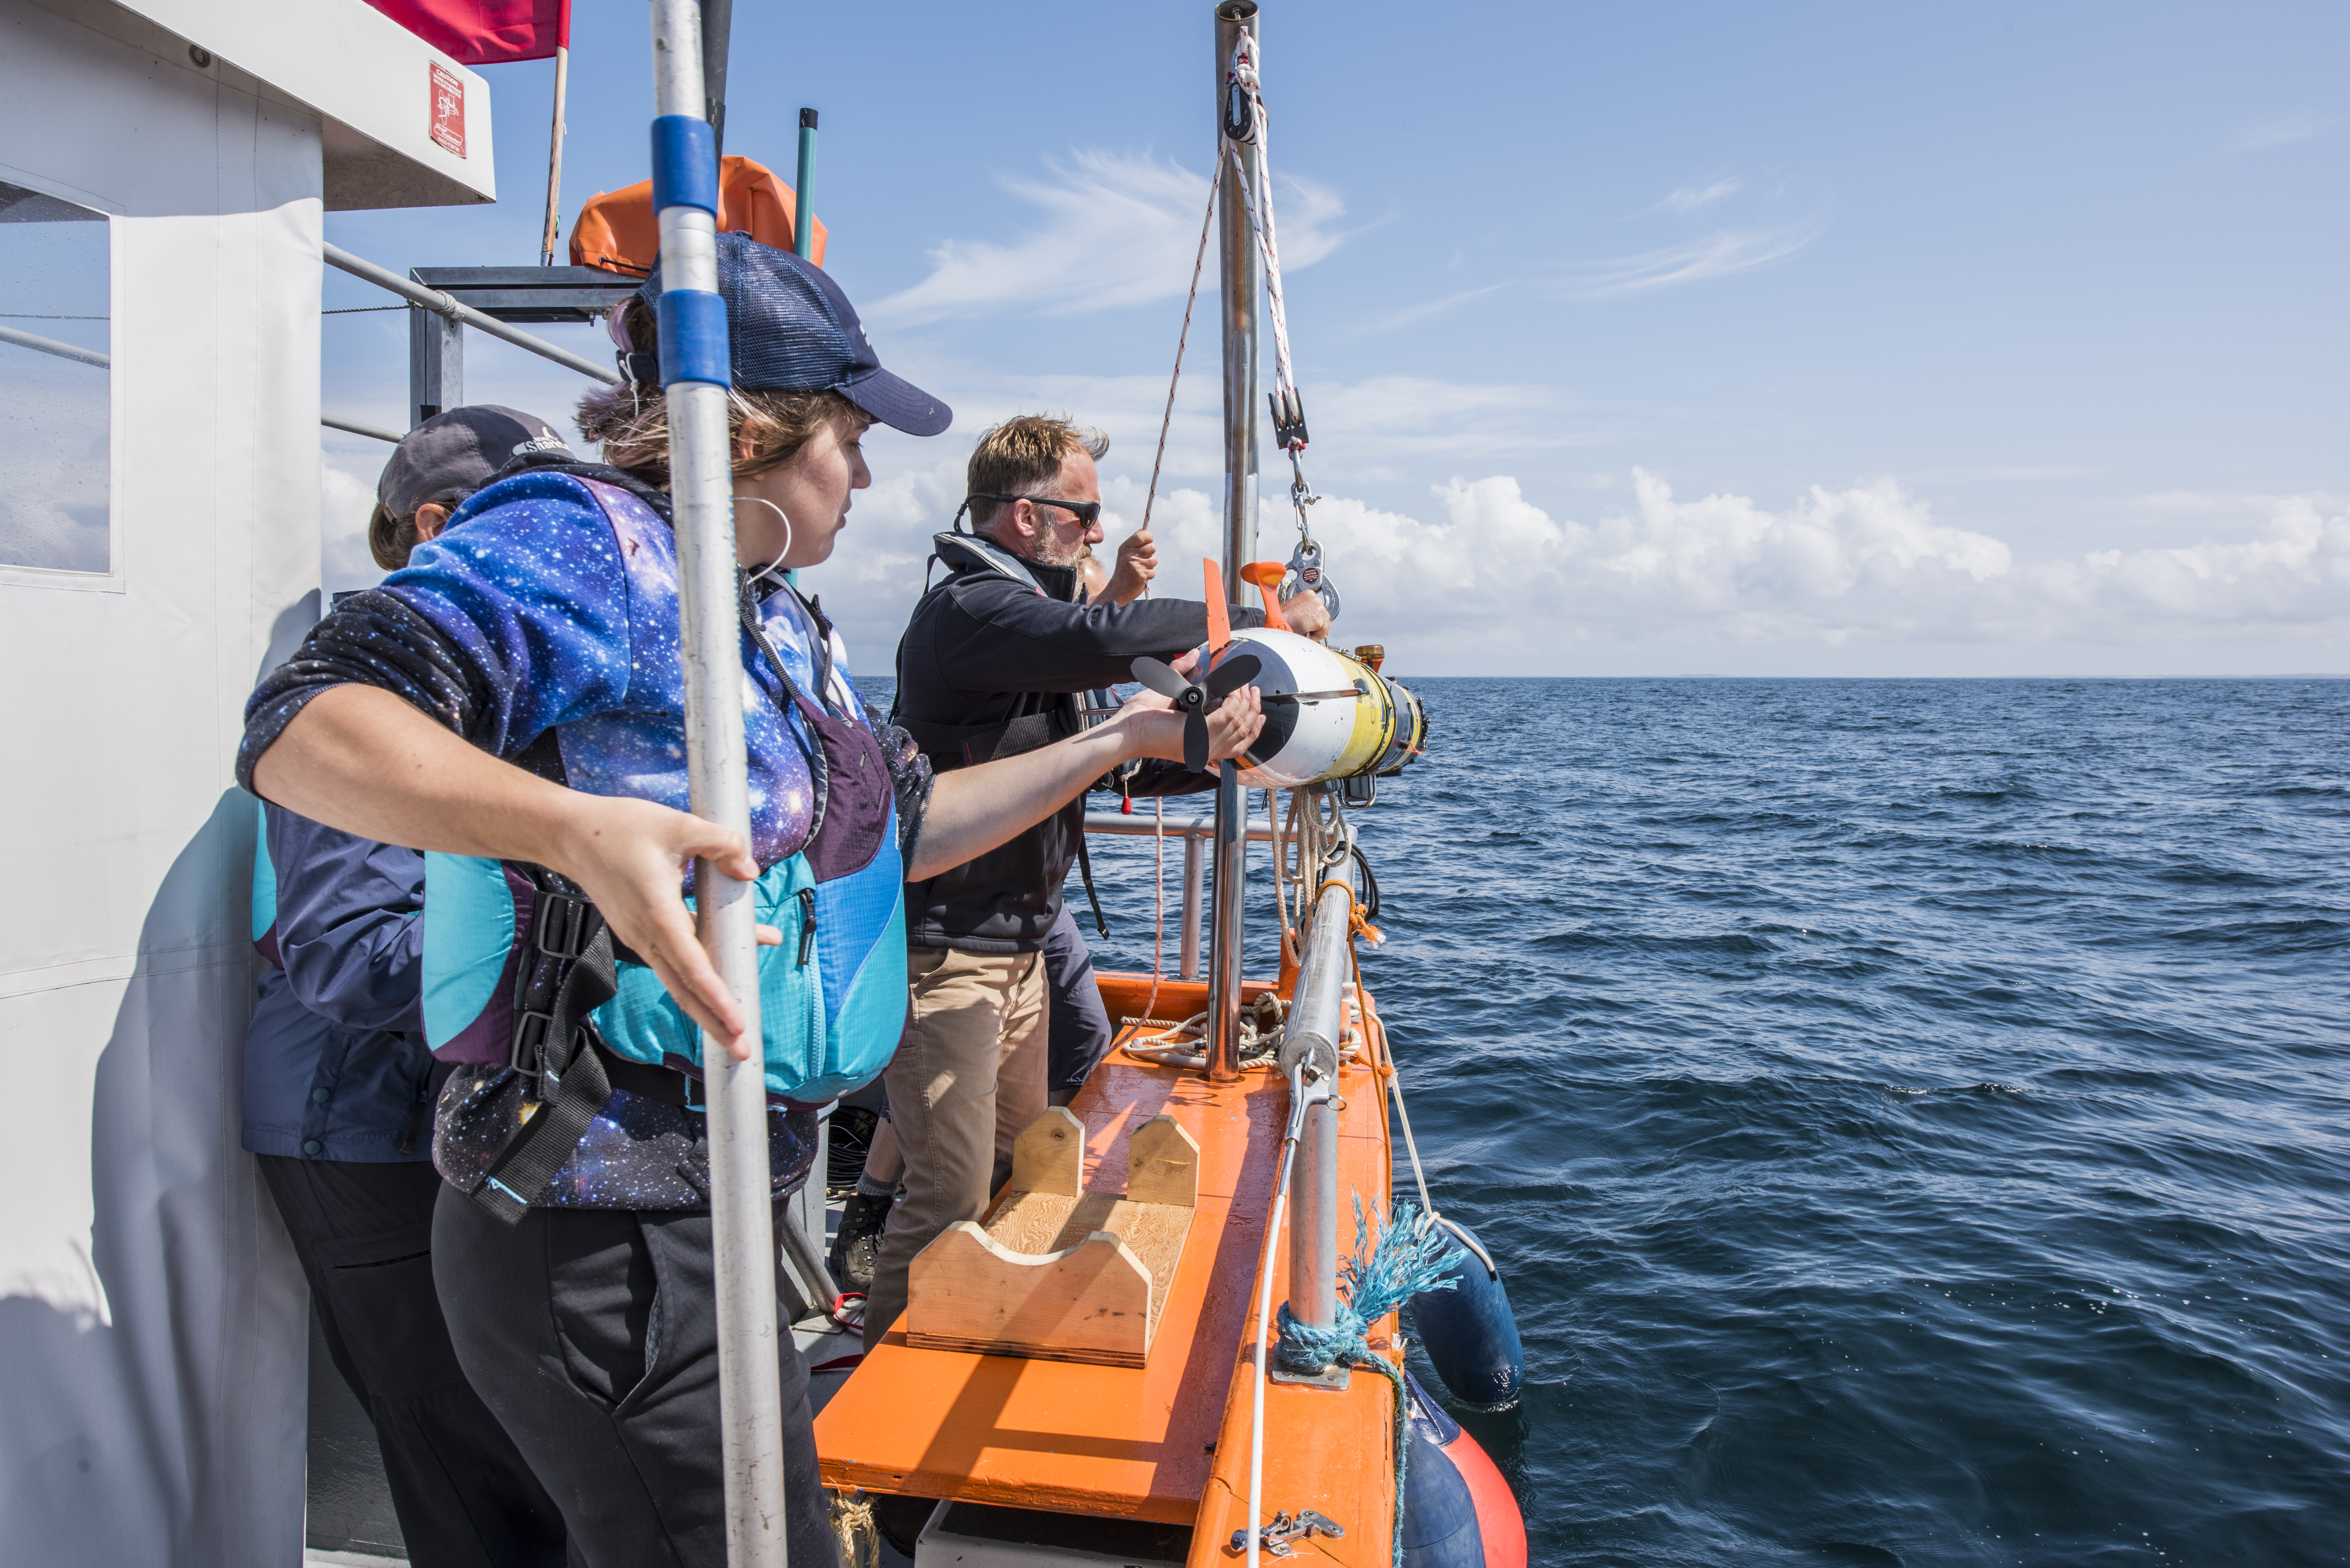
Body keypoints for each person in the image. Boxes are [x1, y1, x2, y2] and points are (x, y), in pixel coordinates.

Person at [237, 235, 1263, 1568]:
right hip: (592, 1224)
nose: (868, 468)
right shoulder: (586, 545)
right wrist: (567, 826)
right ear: (754, 434)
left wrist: (1114, 744)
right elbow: (306, 724)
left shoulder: (774, 621)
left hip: (713, 1206)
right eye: (846, 432)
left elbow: (905, 823)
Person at [860, 413, 1325, 1351]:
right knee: (944, 1194)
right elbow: (1100, 633)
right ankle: (869, 1414)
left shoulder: (1021, 633)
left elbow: (1094, 759)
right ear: (1027, 519)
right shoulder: (971, 612)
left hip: (1017, 950)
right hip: (943, 955)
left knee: (1015, 1168)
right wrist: (1259, 623)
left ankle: (962, 1338)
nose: (1098, 534)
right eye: (1084, 516)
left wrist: (1222, 753)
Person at [247, 406, 574, 1568]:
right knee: (468, 1473)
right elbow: (346, 952)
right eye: (532, 522)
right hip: (359, 1131)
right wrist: (577, 937)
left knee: (532, 1456)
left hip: (451, 1121)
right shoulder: (364, 702)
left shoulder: (487, 687)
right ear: (438, 526)